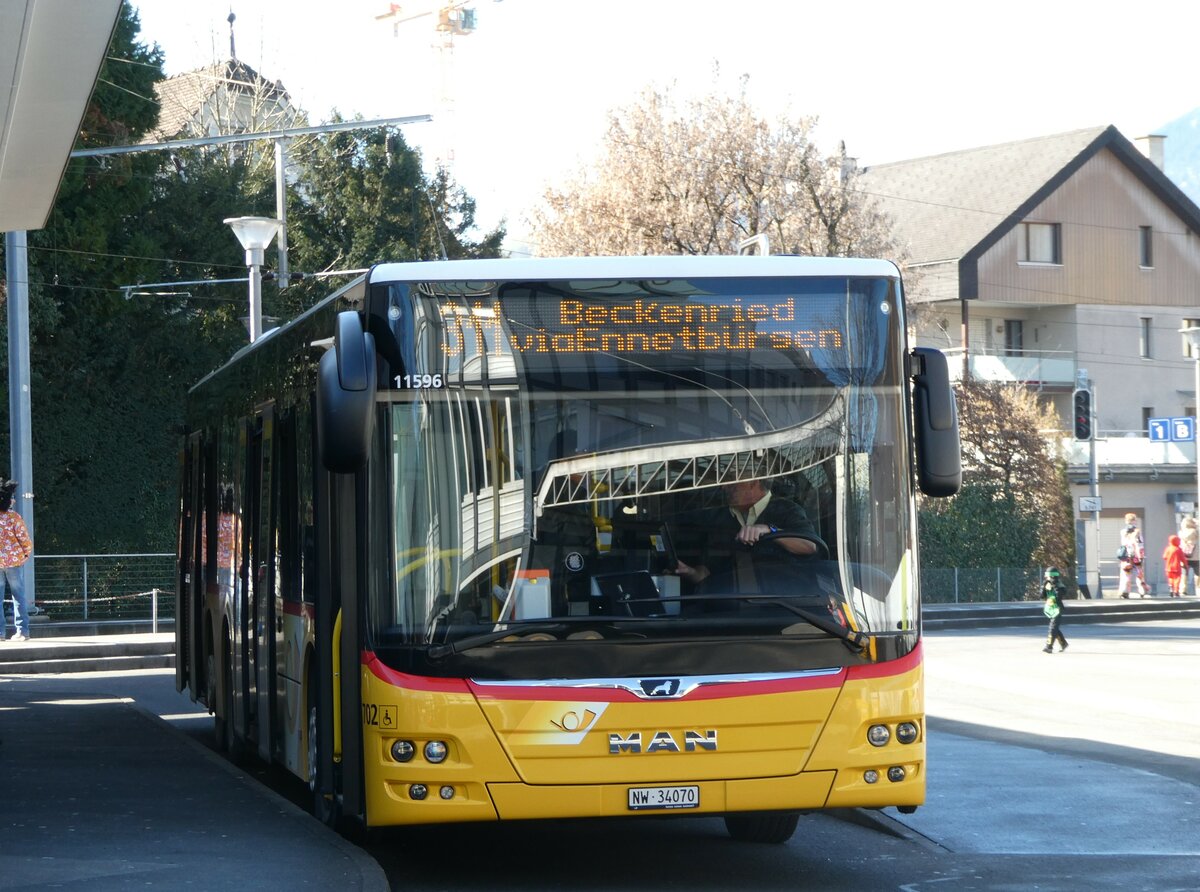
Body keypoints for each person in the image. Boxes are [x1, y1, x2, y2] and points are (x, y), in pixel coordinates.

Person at [674, 477, 819, 592]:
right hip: (730, 611)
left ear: (753, 481)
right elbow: (708, 574)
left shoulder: (788, 510)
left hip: (783, 607)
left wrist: (770, 530)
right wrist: (690, 572)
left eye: (731, 480)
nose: (724, 486)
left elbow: (809, 546)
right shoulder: (717, 517)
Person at [0, 479, 34, 642]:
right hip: (14, 562)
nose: (13, 499)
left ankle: (0, 633)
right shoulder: (14, 517)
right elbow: (25, 540)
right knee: (18, 596)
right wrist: (25, 555)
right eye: (12, 497)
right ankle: (22, 631)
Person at [1116, 513, 1148, 598]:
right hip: (1137, 555)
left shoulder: (1123, 532)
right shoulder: (1137, 532)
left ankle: (1125, 591)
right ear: (1134, 521)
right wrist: (1141, 555)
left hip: (1126, 555)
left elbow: (1123, 543)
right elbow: (1140, 544)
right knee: (1139, 573)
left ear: (1126, 521)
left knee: (1127, 573)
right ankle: (1142, 590)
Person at [1041, 567, 1068, 653]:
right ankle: (1063, 643)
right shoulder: (1047, 584)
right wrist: (1043, 588)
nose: (1047, 578)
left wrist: (1055, 587)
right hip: (1050, 609)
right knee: (1054, 628)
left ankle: (1049, 646)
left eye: (1048, 577)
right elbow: (1042, 596)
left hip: (1057, 609)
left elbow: (1059, 595)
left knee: (1052, 628)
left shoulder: (1059, 585)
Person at [1179, 516, 1198, 597]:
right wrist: (1197, 523)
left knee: (1184, 573)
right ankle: (1198, 589)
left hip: (1184, 556)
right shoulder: (1196, 531)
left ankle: (1182, 590)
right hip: (1196, 556)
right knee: (1197, 574)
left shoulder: (1181, 532)